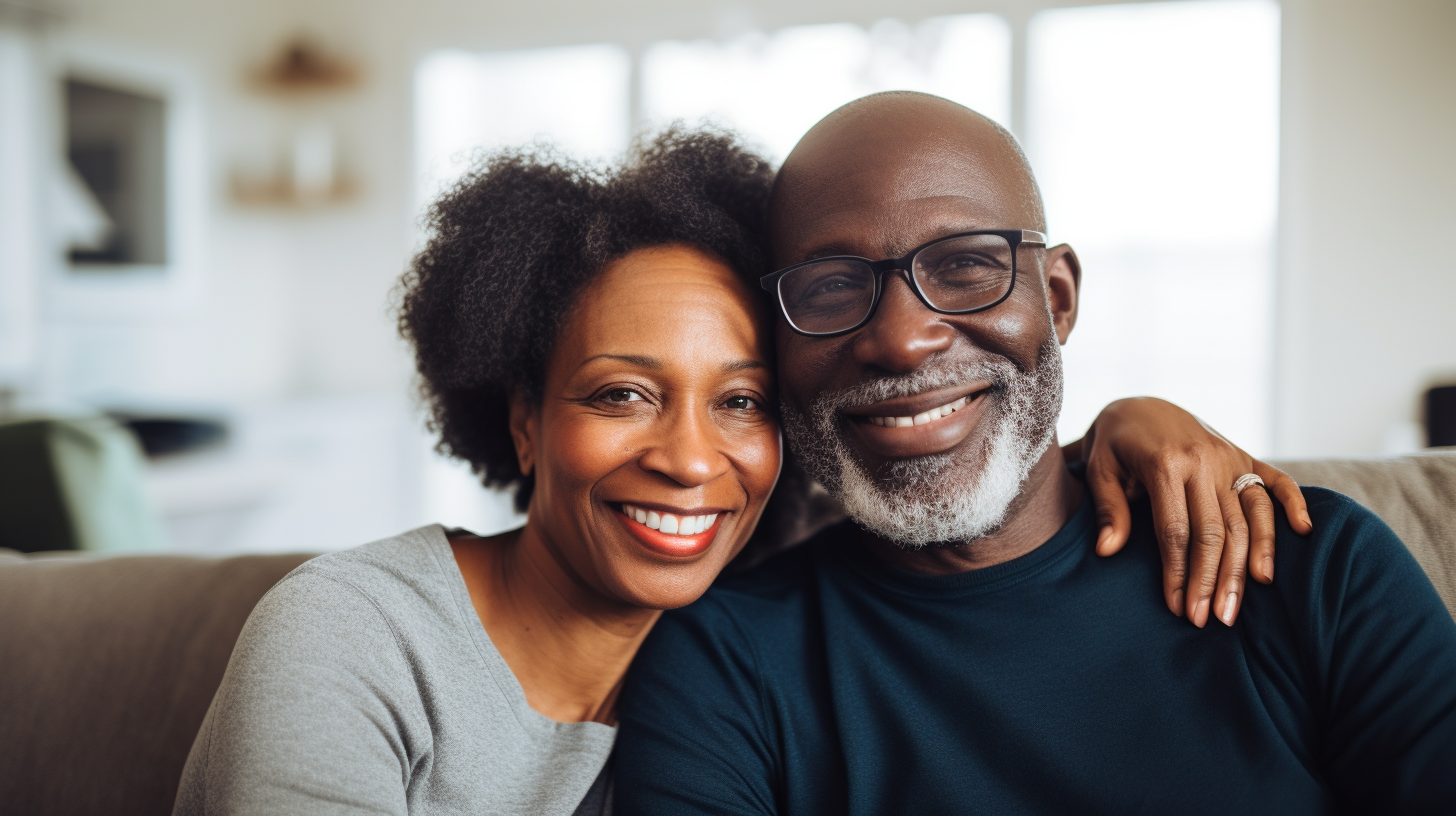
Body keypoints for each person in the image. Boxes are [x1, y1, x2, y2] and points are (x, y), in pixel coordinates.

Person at [174, 129, 1309, 816]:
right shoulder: (355, 638)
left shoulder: (750, 645)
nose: (687, 459)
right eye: (621, 393)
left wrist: (1120, 424)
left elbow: (958, 468)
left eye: (743, 403)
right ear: (521, 421)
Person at [613, 94, 1456, 814]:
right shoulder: (723, 662)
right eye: (832, 286)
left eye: (964, 267)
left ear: (1055, 299)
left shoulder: (1315, 572)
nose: (904, 341)